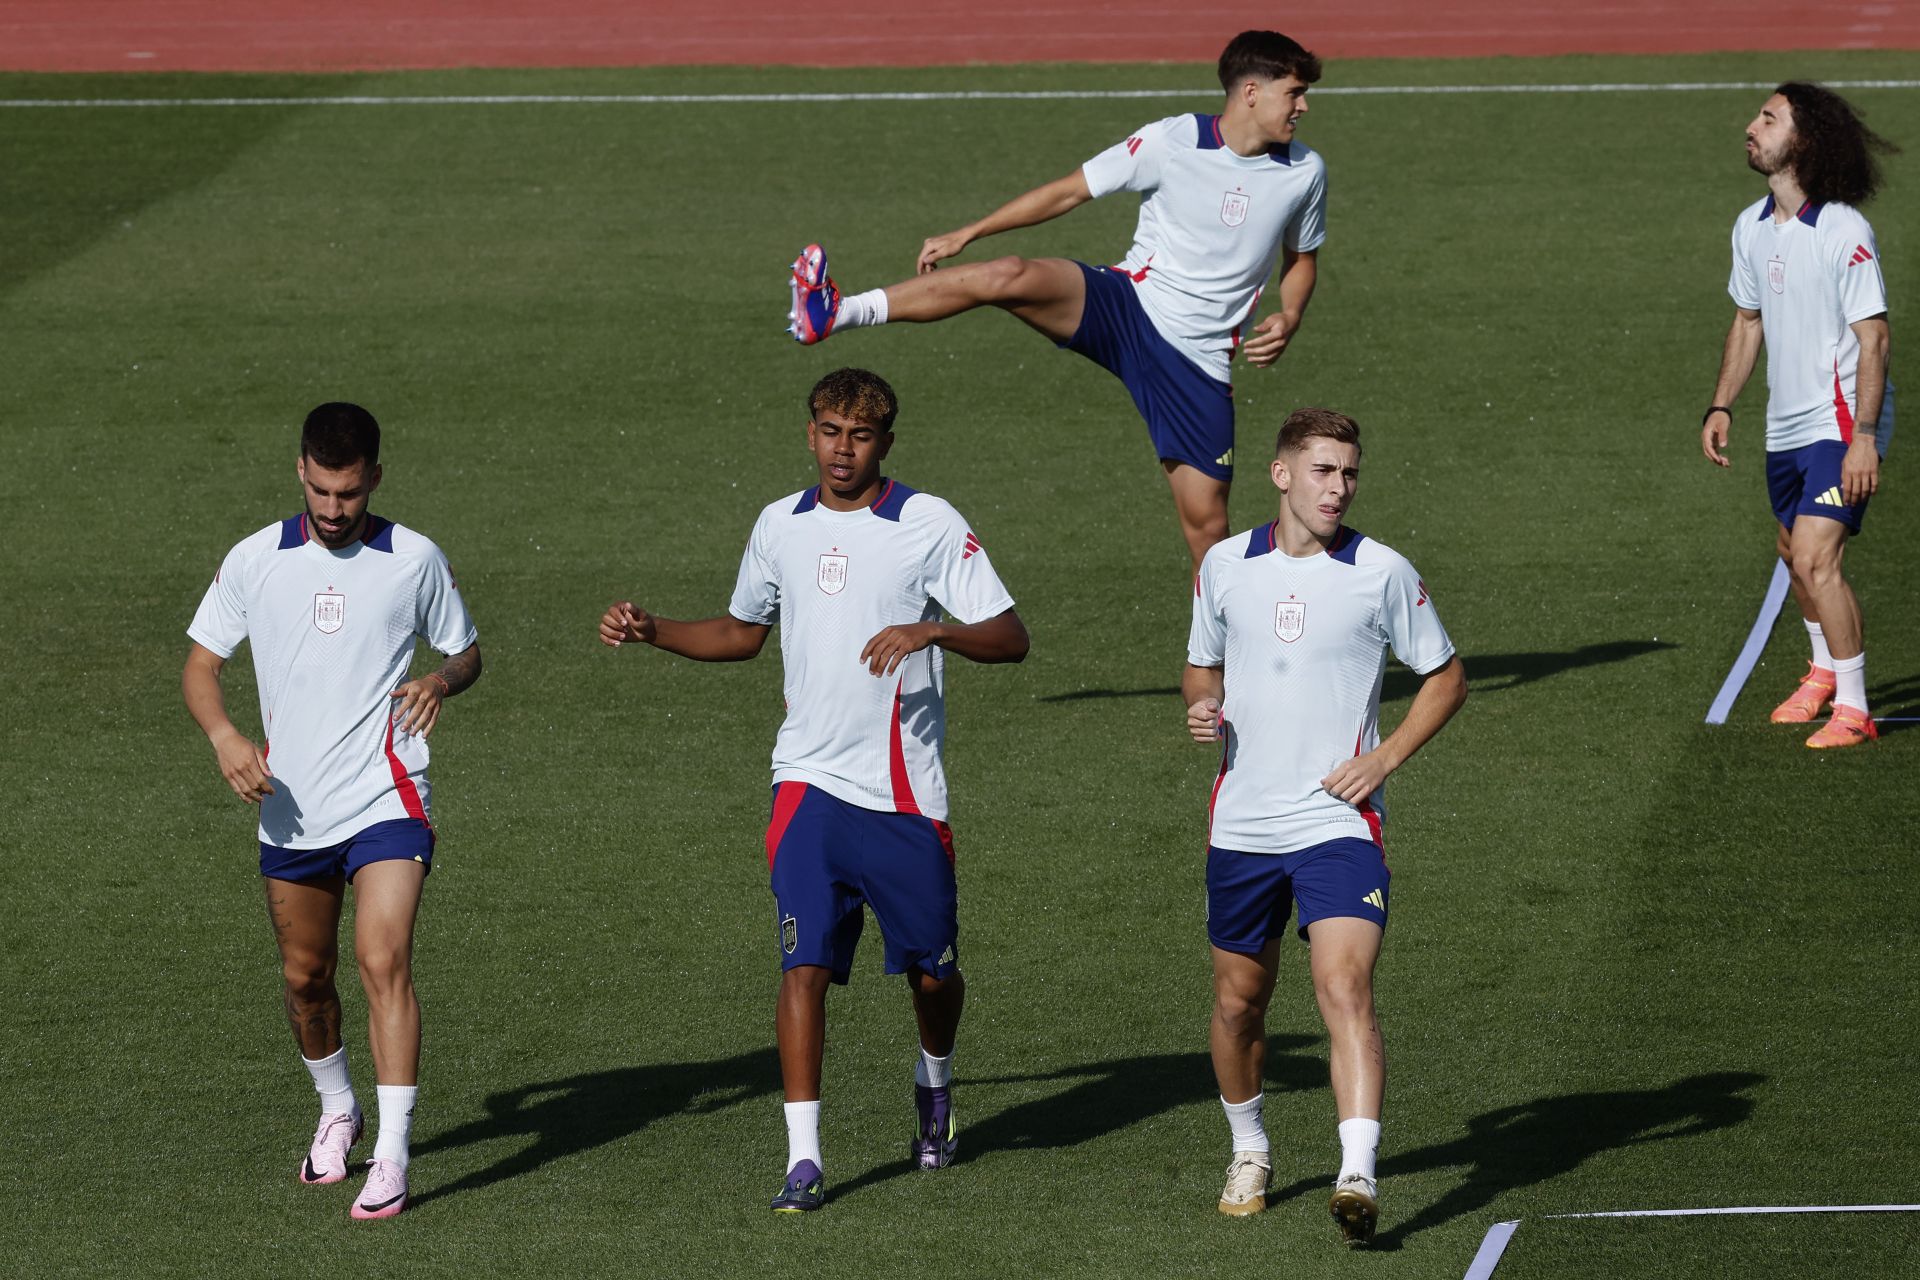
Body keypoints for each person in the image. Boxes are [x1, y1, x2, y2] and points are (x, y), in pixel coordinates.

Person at [600, 368, 1028, 1212]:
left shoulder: (926, 524)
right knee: (802, 963)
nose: (843, 448)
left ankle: (934, 1084)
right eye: (830, 430)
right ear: (810, 434)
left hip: (905, 798)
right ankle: (804, 1159)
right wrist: (655, 632)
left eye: (860, 435)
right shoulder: (779, 527)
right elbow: (739, 633)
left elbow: (1011, 637)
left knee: (934, 975)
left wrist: (931, 626)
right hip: (808, 784)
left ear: (886, 444)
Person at [786, 29, 1328, 575]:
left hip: (1197, 360)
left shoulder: (1304, 173)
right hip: (1129, 304)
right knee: (1008, 275)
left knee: (1208, 532)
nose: (1303, 106)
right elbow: (1071, 189)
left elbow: (1301, 259)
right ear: (1252, 91)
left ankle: (1223, 658)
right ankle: (835, 313)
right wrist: (969, 233)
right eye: (1295, 91)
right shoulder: (1173, 140)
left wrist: (1291, 314)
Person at [182, 403, 482, 1220]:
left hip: (387, 796)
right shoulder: (254, 559)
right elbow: (201, 665)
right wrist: (224, 736)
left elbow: (465, 650)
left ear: (374, 479)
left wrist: (437, 682)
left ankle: (391, 1154)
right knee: (306, 980)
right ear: (300, 473)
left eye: (348, 493)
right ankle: (337, 1107)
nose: (333, 510)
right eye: (320, 491)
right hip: (291, 808)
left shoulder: (414, 558)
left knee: (382, 959)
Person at [1183, 408, 1466, 1243]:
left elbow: (1446, 678)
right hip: (1241, 825)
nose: (1339, 488)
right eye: (1324, 471)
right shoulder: (1224, 567)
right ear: (1282, 475)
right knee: (1240, 1005)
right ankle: (1250, 1149)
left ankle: (1357, 1173)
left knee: (1345, 987)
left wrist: (1382, 763)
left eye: (1349, 474)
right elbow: (1202, 665)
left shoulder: (1381, 572)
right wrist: (1202, 707)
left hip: (1339, 823)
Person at [1700, 82, 1896, 748]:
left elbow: (1875, 338)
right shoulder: (1751, 225)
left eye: (1768, 119)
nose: (1750, 127)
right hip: (1786, 424)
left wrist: (1864, 438)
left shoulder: (1843, 228)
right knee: (1791, 552)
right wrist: (1723, 402)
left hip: (1841, 423)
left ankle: (1855, 707)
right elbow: (1748, 321)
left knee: (1816, 558)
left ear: (1803, 141)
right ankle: (1821, 672)